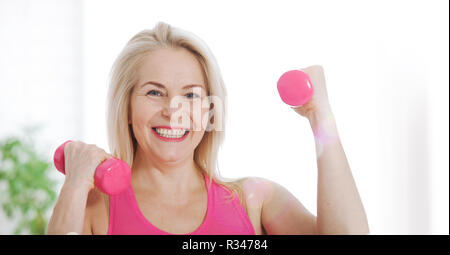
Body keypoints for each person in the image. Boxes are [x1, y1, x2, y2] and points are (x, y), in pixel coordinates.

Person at [47, 22, 369, 235]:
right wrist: (76, 184)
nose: (174, 111)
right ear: (127, 109)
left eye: (191, 94)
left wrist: (320, 115)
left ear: (209, 109)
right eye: (154, 92)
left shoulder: (253, 200)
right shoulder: (96, 206)